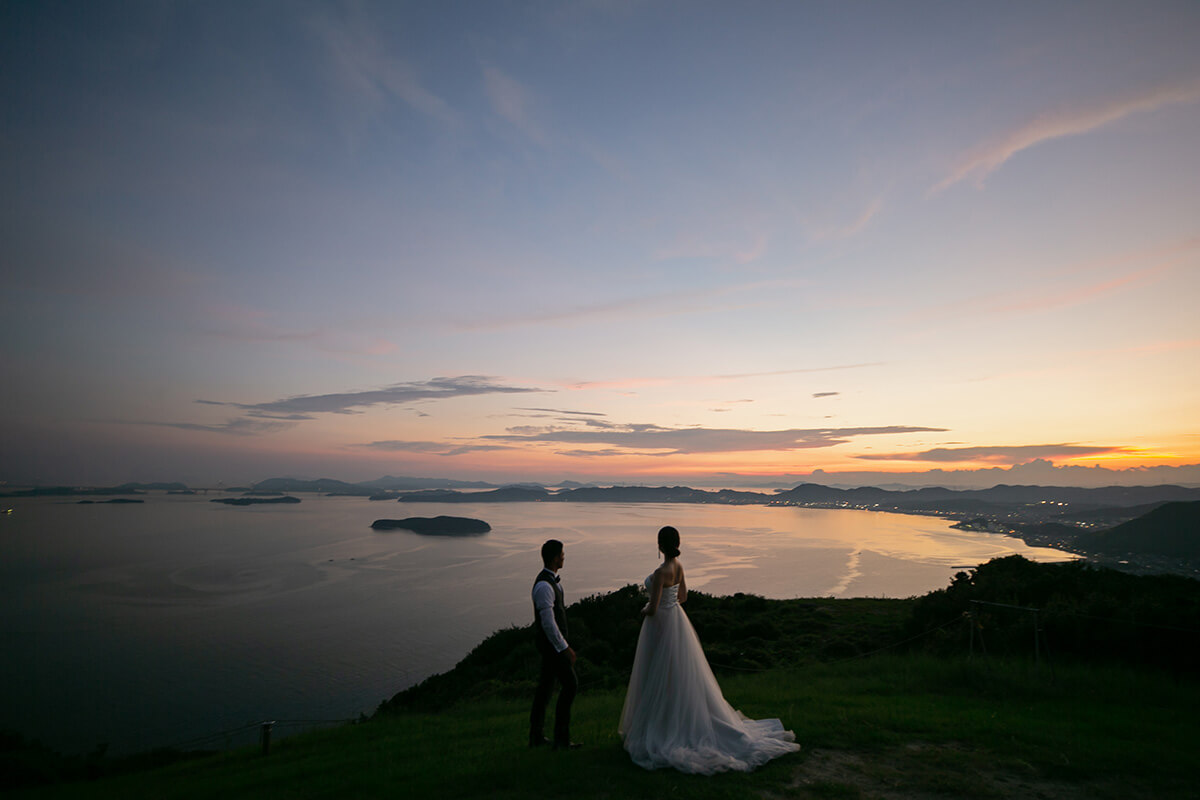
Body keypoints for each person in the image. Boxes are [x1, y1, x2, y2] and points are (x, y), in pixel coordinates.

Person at [619, 526, 800, 774]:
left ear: (660, 545)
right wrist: (668, 606)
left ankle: (661, 725)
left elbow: (652, 607)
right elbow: (683, 597)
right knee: (677, 675)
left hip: (660, 625)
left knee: (658, 674)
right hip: (676, 621)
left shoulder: (660, 572)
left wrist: (644, 610)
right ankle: (676, 722)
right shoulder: (679, 567)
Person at [529, 539, 581, 750]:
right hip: (552, 648)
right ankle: (560, 738)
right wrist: (564, 648)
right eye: (561, 554)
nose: (563, 557)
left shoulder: (552, 583)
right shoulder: (544, 586)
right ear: (554, 557)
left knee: (545, 690)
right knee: (570, 685)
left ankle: (537, 736)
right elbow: (548, 623)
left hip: (551, 646)